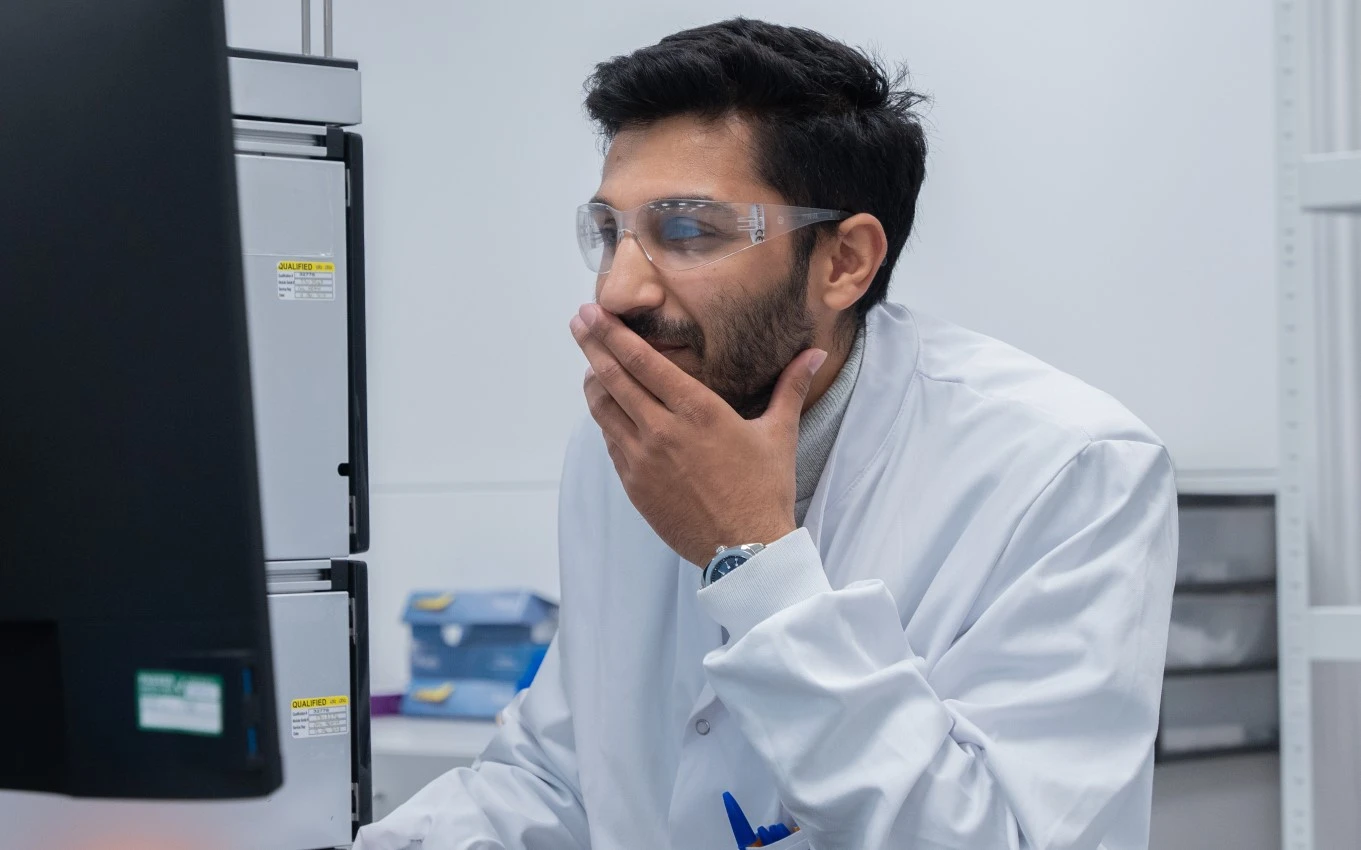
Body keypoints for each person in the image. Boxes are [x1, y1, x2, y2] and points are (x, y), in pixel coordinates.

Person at [356, 18, 1177, 850]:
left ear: (843, 262)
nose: (619, 290)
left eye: (687, 231)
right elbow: (557, 780)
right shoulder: (628, 439)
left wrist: (753, 558)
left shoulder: (1066, 466)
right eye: (609, 233)